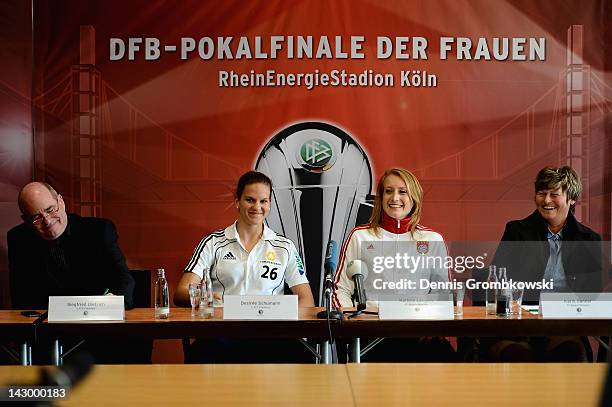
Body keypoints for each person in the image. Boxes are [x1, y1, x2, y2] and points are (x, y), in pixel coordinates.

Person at [174, 171, 315, 362]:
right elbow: (181, 292)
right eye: (250, 200)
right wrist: (204, 296)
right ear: (237, 201)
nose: (257, 207)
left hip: (271, 336)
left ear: (270, 204)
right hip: (222, 333)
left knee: (302, 356)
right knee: (203, 353)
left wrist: (283, 321)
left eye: (263, 201)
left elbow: (306, 300)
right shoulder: (213, 243)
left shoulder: (284, 247)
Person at [7, 182, 147, 363]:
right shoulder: (19, 239)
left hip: (99, 335)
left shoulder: (98, 230)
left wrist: (113, 300)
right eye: (36, 217)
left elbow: (124, 279)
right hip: (47, 336)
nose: (47, 221)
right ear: (25, 220)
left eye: (50, 210)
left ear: (61, 202)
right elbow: (21, 298)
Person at [332, 167, 455, 362]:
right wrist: (353, 324)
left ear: (414, 197)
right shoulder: (359, 235)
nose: (394, 198)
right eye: (388, 191)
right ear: (380, 197)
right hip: (371, 333)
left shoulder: (432, 239)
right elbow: (341, 289)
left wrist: (431, 327)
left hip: (418, 334)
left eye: (402, 191)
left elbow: (443, 293)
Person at [486, 166, 602, 362]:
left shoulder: (589, 240)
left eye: (554, 194)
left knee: (570, 349)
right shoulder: (516, 231)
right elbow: (497, 282)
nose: (546, 200)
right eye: (541, 193)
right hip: (520, 325)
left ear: (571, 198)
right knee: (516, 353)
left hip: (564, 326)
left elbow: (591, 293)